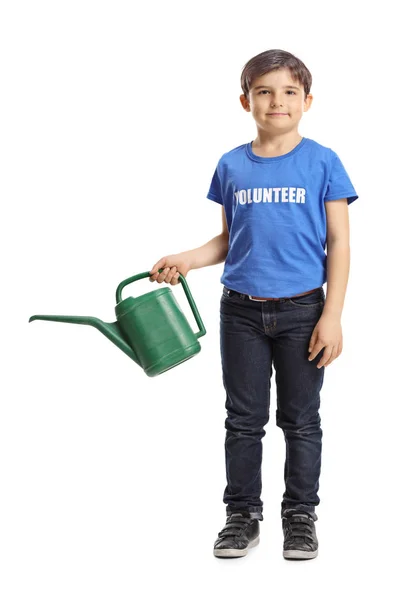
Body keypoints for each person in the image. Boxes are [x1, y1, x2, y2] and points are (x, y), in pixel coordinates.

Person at [149, 49, 358, 561]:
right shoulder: (231, 165)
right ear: (246, 101)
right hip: (239, 312)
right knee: (243, 419)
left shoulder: (323, 161)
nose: (277, 101)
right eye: (264, 91)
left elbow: (340, 243)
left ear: (308, 101)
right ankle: (242, 516)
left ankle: (300, 516)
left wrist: (332, 314)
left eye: (289, 91)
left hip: (303, 312)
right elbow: (228, 241)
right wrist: (188, 258)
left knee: (301, 419)